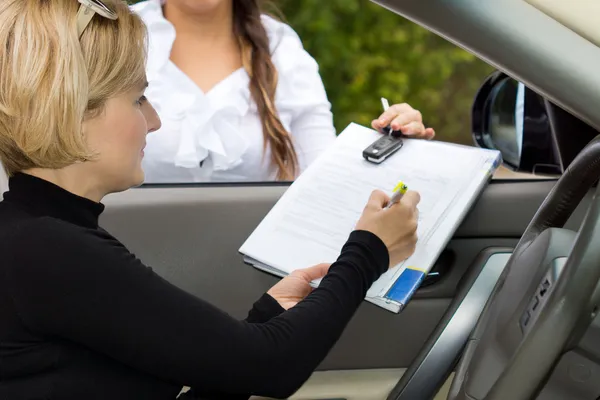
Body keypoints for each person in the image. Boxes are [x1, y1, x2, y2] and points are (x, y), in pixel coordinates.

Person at [0, 1, 420, 399]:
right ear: (70, 108)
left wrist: (265, 318)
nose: (155, 120)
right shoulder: (50, 250)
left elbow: (244, 365)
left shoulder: (44, 236)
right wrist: (369, 253)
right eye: (137, 99)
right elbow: (273, 365)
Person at [132, 0, 435, 183]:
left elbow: (324, 178)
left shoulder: (282, 49)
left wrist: (394, 144)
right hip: (121, 265)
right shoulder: (115, 38)